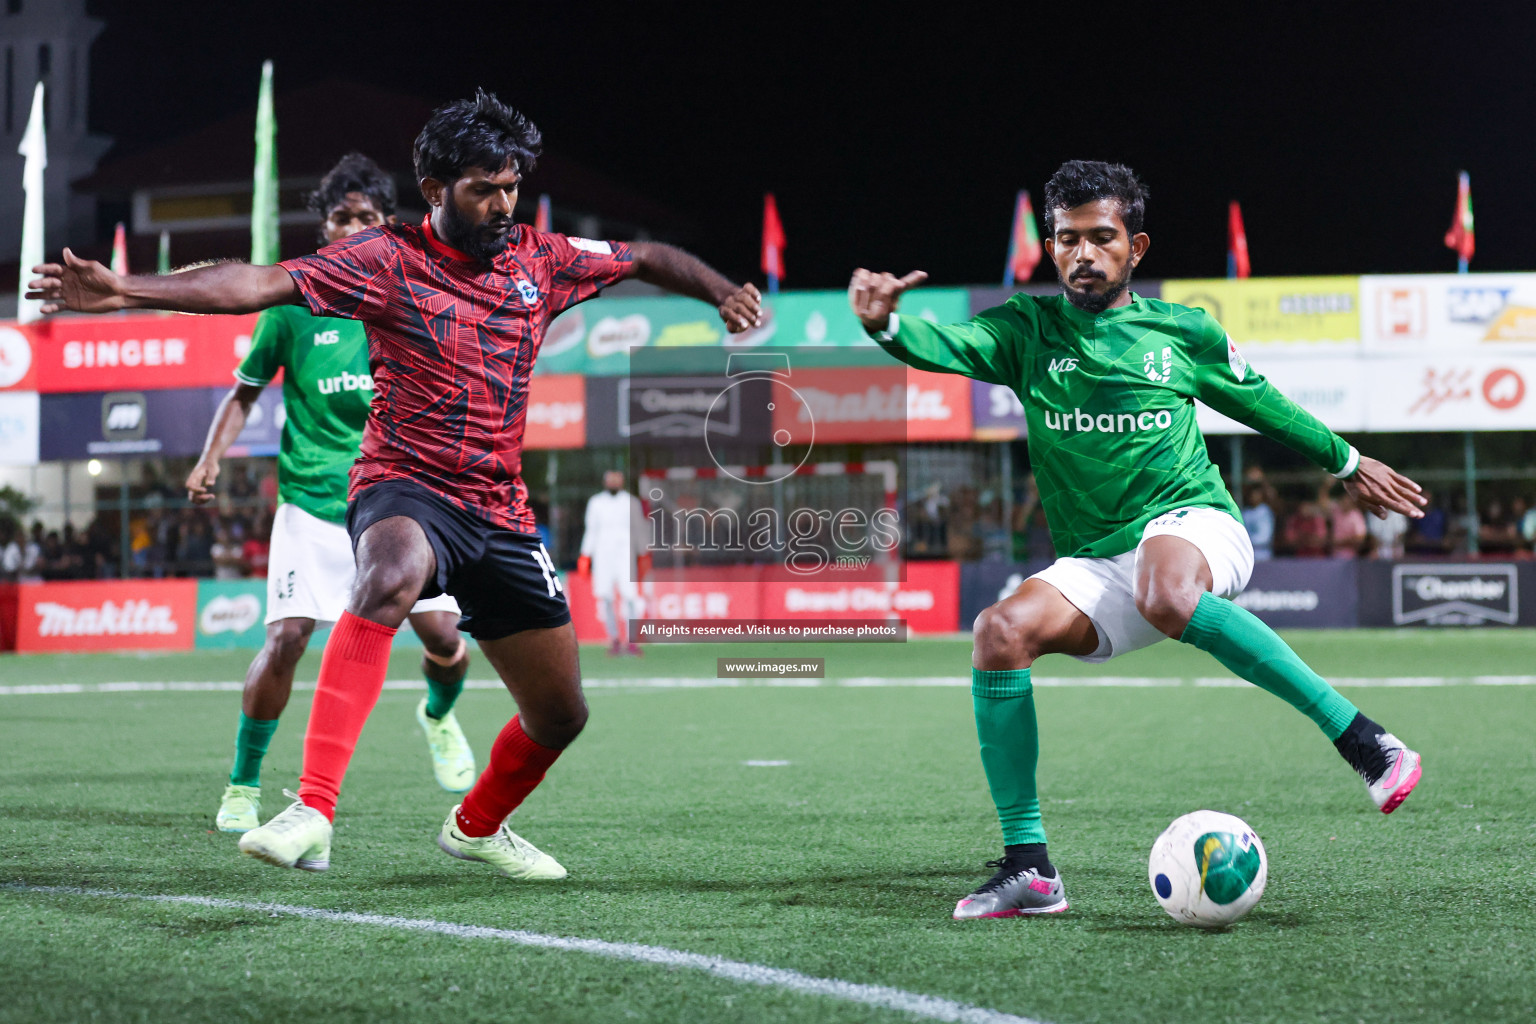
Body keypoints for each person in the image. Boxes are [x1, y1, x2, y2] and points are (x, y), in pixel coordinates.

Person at [31, 89, 762, 880]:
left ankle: (477, 826)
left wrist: (721, 290)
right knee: (388, 577)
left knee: (560, 713)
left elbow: (648, 257)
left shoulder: (541, 261)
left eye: (511, 184)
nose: (503, 203)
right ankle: (311, 808)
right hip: (403, 482)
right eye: (485, 187)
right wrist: (128, 290)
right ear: (437, 190)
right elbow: (255, 282)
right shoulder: (387, 260)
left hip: (500, 510)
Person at [847, 160, 1426, 920]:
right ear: (1050, 249)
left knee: (1164, 587)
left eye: (1101, 237)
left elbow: (1262, 403)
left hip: (1193, 522)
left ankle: (1364, 740)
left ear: (1136, 247)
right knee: (998, 632)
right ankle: (1031, 868)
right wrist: (885, 323)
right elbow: (942, 344)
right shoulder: (1025, 330)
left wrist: (1347, 461)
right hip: (1098, 558)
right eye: (1067, 240)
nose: (1083, 253)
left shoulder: (1180, 331)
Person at [183, 153, 476, 834]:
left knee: (443, 633)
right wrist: (208, 460)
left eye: (365, 217)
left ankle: (436, 715)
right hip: (314, 502)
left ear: (387, 225)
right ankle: (243, 786)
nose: (351, 228)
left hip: (402, 502)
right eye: (340, 217)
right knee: (285, 639)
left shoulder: (410, 297)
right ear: (324, 228)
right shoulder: (292, 309)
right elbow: (243, 392)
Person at [577, 470, 648, 656]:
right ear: (605, 481)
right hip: (603, 556)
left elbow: (639, 529)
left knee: (630, 597)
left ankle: (632, 640)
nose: (614, 482)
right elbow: (591, 530)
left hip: (625, 555)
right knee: (606, 597)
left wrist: (643, 553)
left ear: (622, 481)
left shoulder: (631, 502)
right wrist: (585, 555)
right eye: (610, 480)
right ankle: (614, 639)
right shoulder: (596, 503)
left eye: (617, 479)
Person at [1239, 482, 1274, 561]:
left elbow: (1264, 537)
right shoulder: (1245, 512)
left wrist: (1245, 541)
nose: (1253, 497)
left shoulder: (1265, 511)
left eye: (1256, 494)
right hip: (1246, 556)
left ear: (1261, 496)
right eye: (1252, 495)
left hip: (1262, 556)